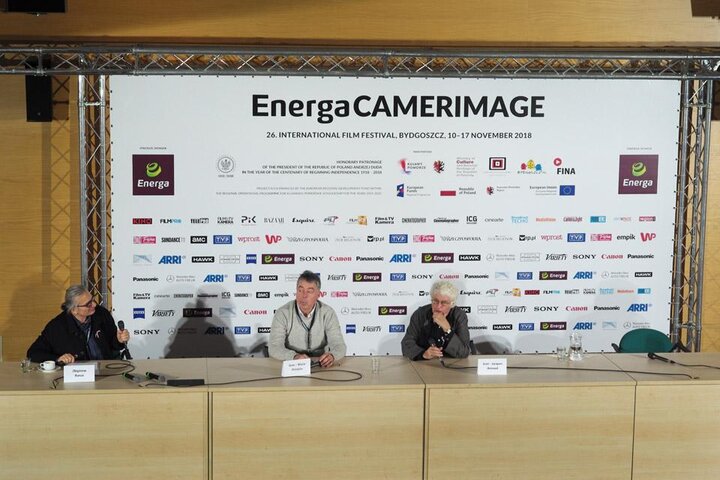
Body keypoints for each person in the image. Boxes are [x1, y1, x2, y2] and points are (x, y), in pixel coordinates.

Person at [27, 285, 130, 363]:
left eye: (93, 300)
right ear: (74, 310)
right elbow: (33, 353)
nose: (94, 305)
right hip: (78, 377)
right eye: (88, 304)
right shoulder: (57, 327)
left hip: (106, 370)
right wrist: (58, 358)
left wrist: (119, 340)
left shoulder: (101, 314)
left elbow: (113, 346)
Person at [269, 270, 346, 367]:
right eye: (300, 290)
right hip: (292, 364)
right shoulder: (283, 313)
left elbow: (339, 345)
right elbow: (274, 347)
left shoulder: (328, 313)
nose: (303, 296)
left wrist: (332, 356)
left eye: (309, 291)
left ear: (318, 295)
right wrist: (294, 356)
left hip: (320, 364)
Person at [401, 280, 471, 360]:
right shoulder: (420, 314)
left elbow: (464, 352)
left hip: (451, 362)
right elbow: (406, 343)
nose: (438, 307)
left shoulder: (459, 316)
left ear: (452, 304)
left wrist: (448, 330)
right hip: (424, 364)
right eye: (435, 301)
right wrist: (423, 354)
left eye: (443, 303)